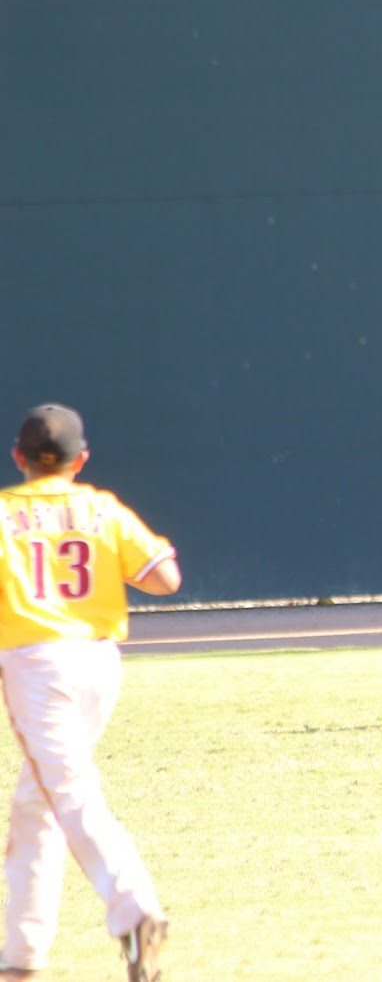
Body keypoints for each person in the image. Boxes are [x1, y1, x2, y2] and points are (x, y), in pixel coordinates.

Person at [0, 404, 176, 982]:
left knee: (70, 795)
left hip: (36, 667)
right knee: (38, 802)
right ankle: (21, 953)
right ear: (80, 461)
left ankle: (134, 910)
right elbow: (164, 579)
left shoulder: (3, 512)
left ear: (18, 457)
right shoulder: (102, 508)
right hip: (98, 663)